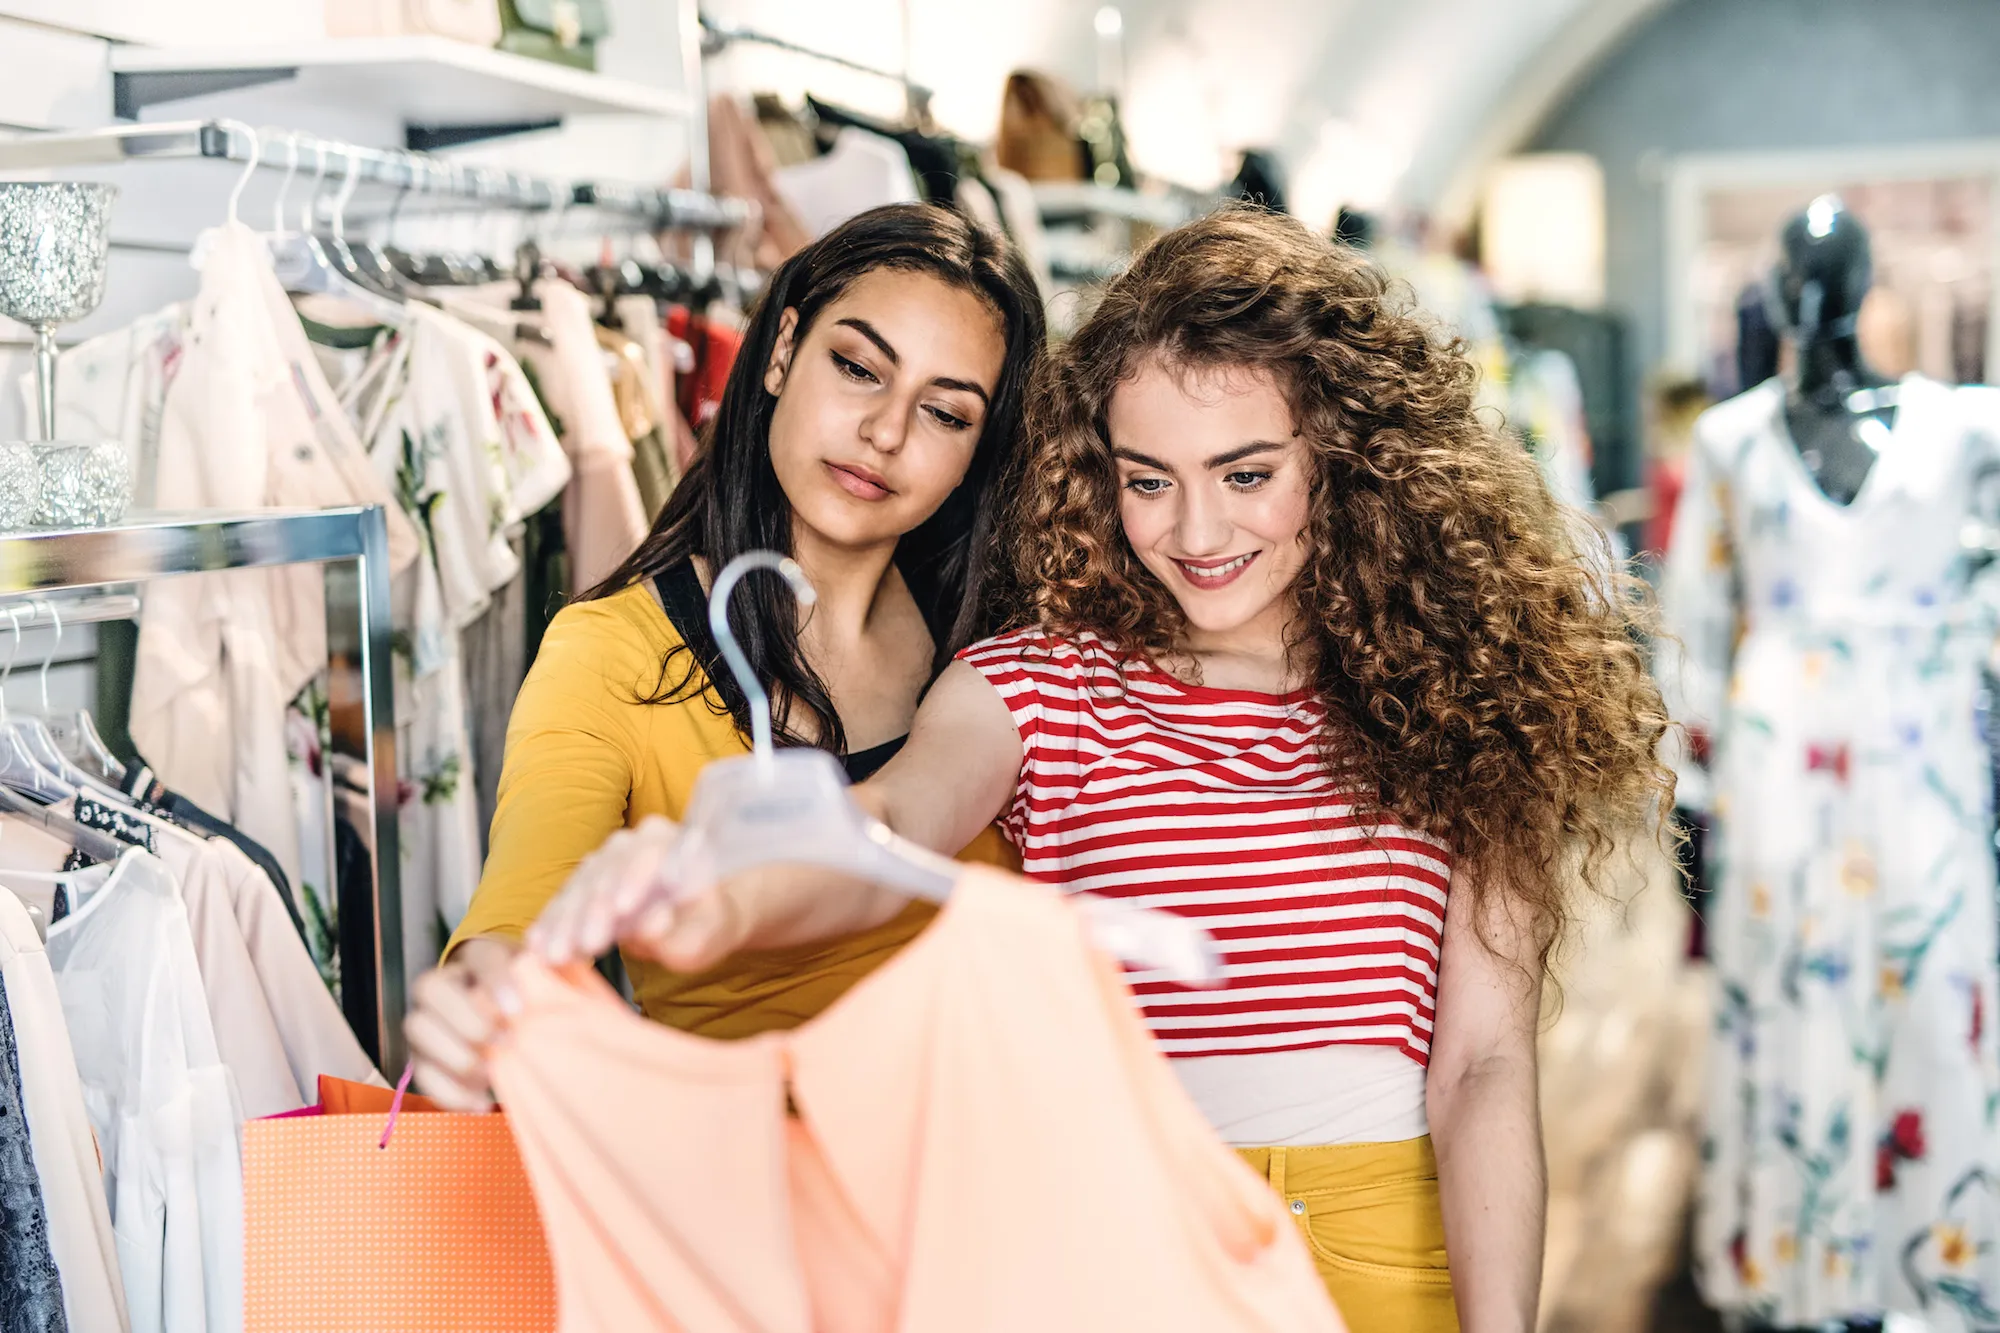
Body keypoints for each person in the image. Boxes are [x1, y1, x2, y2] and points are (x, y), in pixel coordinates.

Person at [527, 207, 1673, 1332]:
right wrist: (708, 892)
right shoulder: (1036, 684)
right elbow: (889, 827)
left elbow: (1479, 1068)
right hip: (1116, 1243)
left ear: (1343, 459)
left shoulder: (1460, 703)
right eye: (1147, 478)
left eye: (1244, 473)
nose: (1194, 529)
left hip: (1388, 1251)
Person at [403, 203, 1046, 1111]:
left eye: (944, 412)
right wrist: (482, 997)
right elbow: (520, 911)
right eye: (858, 368)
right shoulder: (613, 651)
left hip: (982, 1191)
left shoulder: (1007, 646)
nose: (886, 432)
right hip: (737, 1207)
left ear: (981, 450)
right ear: (781, 351)